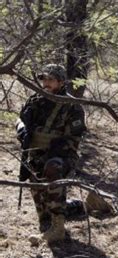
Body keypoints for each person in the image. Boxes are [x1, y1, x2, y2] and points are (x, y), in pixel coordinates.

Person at [16, 64, 87, 243]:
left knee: (52, 169)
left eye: (50, 79)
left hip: (62, 155)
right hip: (36, 152)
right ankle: (56, 216)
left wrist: (53, 151)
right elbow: (20, 119)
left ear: (61, 82)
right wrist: (21, 129)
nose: (46, 83)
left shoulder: (72, 106)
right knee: (37, 188)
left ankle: (58, 228)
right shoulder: (35, 100)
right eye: (44, 79)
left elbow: (74, 139)